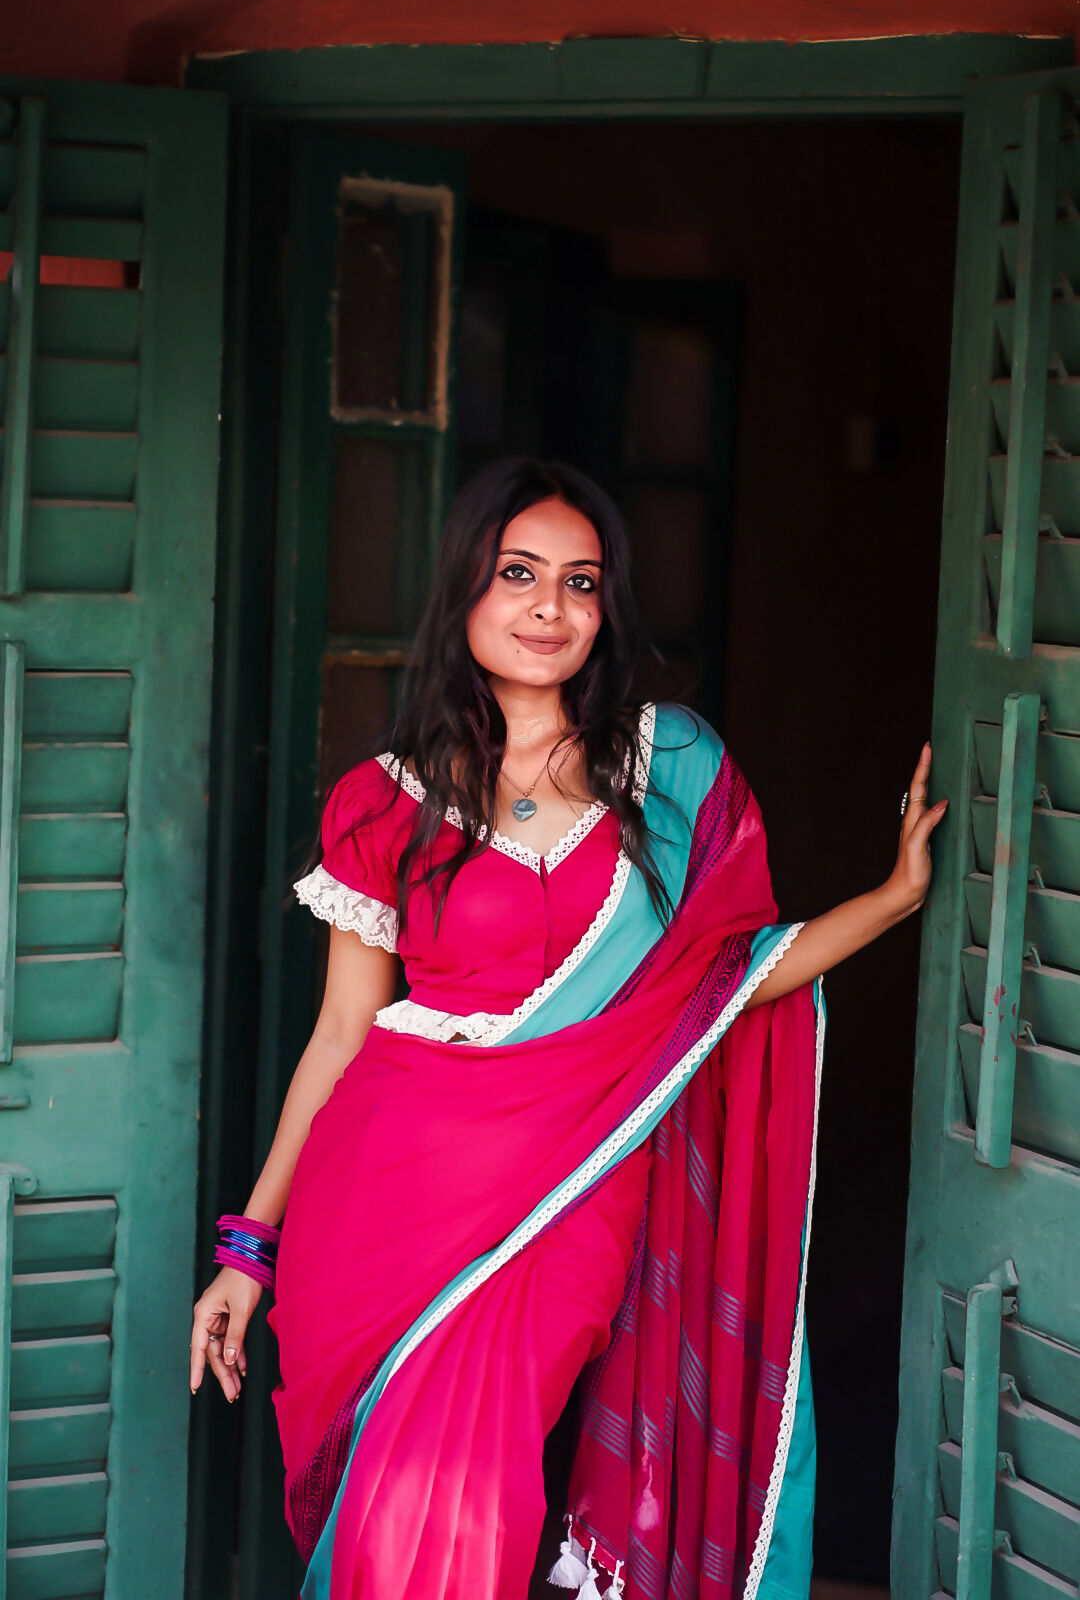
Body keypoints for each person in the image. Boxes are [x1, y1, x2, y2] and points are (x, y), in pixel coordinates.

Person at [189, 455, 945, 1600]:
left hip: (573, 1191)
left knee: (476, 1486)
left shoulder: (671, 769)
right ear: (466, 592)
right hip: (390, 1192)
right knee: (397, 1502)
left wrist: (890, 899)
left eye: (581, 582)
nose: (551, 607)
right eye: (519, 573)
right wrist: (250, 1243)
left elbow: (729, 980)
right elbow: (344, 1033)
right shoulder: (383, 800)